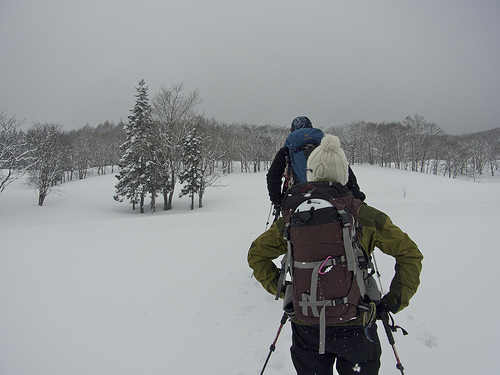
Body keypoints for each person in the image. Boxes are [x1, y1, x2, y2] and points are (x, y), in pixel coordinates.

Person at [249, 134, 423, 375]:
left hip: (306, 327)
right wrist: (393, 301)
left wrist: (286, 291)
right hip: (357, 326)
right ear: (344, 174)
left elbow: (257, 255)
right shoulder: (364, 215)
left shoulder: (291, 216)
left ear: (310, 173)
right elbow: (410, 254)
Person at [266, 116, 365, 214]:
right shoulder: (326, 146)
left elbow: (272, 177)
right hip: (332, 198)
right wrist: (356, 196)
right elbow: (345, 171)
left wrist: (278, 203)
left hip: (298, 200)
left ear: (292, 130)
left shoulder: (287, 151)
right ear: (311, 127)